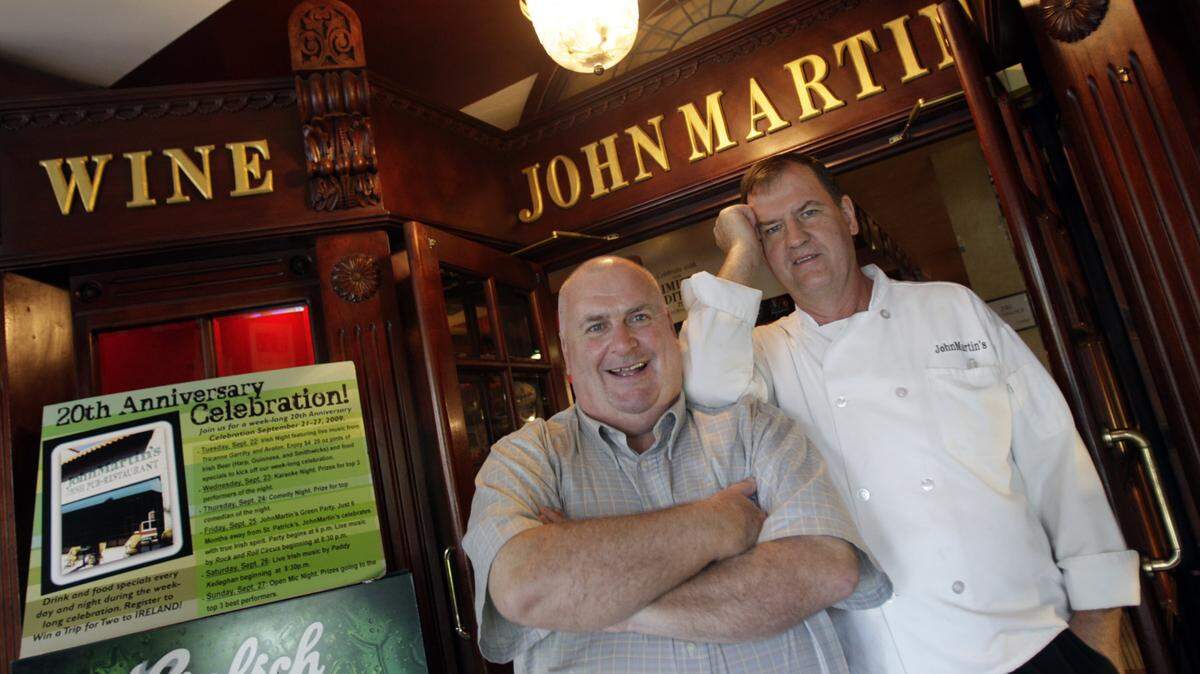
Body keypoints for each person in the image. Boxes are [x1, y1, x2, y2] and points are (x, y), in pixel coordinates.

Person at [680, 152, 1140, 674]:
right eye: (771, 229)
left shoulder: (952, 308)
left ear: (848, 216)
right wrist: (740, 251)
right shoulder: (764, 355)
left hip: (1034, 639)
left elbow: (1055, 458)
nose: (796, 239)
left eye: (809, 212)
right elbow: (703, 385)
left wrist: (1100, 618)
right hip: (896, 659)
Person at [463, 256, 891, 673]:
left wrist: (602, 604)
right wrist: (715, 524)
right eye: (596, 326)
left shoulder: (754, 427)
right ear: (568, 357)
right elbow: (522, 588)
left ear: (670, 329)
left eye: (639, 317)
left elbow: (827, 570)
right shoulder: (525, 458)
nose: (623, 343)